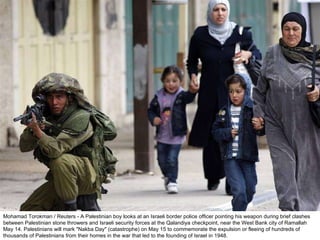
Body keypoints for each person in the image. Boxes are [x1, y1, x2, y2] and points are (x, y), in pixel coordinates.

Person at [187, 0, 262, 191]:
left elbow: (257, 54)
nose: (220, 13)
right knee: (213, 135)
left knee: (235, 132)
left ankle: (232, 180)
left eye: (223, 9)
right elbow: (192, 60)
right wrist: (193, 75)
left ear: (228, 11)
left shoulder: (240, 33)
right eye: (216, 9)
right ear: (209, 12)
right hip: (209, 93)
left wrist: (247, 55)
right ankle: (213, 176)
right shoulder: (200, 35)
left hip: (234, 93)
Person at [18, 72, 117, 211]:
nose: (54, 102)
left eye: (59, 97)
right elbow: (24, 146)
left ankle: (69, 210)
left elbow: (55, 150)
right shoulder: (47, 115)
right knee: (29, 209)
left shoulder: (80, 117)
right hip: (63, 179)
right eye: (50, 97)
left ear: (70, 98)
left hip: (87, 177)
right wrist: (32, 129)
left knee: (61, 160)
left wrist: (39, 133)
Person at [253, 12, 320, 211]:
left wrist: (318, 92)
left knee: (308, 172)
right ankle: (289, 211)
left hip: (308, 125)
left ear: (303, 30)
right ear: (281, 30)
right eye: (286, 29)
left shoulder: (315, 55)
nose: (291, 33)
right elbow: (260, 90)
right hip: (277, 124)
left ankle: (306, 215)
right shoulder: (272, 54)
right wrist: (258, 113)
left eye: (295, 29)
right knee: (285, 170)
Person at [212, 73, 264, 211]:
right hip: (230, 158)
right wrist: (227, 133)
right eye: (231, 91)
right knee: (239, 191)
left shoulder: (252, 109)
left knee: (250, 189)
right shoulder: (224, 111)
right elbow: (215, 132)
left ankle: (240, 208)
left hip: (248, 157)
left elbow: (262, 131)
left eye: (238, 91)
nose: (234, 95)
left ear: (246, 91)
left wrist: (260, 125)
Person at [147, 65, 199, 194]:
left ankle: (172, 181)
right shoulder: (158, 96)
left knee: (171, 159)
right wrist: (153, 119)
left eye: (174, 81)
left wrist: (193, 91)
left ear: (180, 82)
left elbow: (189, 97)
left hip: (176, 134)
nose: (171, 84)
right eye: (168, 81)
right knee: (161, 160)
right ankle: (167, 175)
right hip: (162, 135)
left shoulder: (181, 95)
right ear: (163, 81)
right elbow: (151, 110)